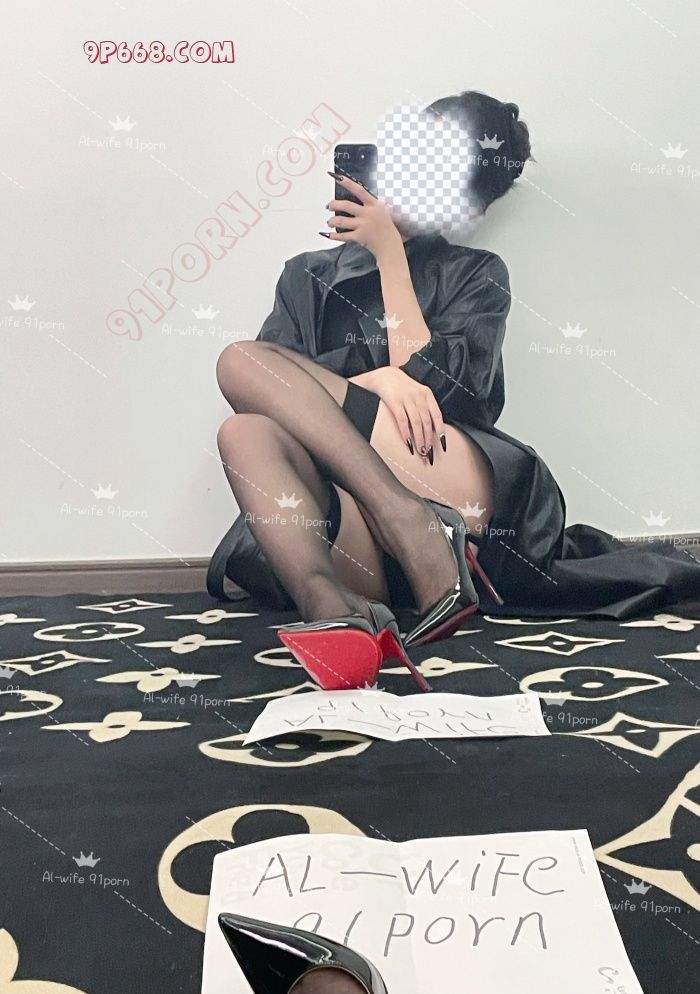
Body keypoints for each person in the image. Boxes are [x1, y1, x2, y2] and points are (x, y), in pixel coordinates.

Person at [212, 90, 700, 690]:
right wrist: (374, 380)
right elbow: (272, 391)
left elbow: (448, 393)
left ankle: (415, 524)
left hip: (450, 481)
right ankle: (332, 608)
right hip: (353, 530)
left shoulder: (476, 273)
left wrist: (389, 254)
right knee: (244, 428)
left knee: (237, 359)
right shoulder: (306, 276)